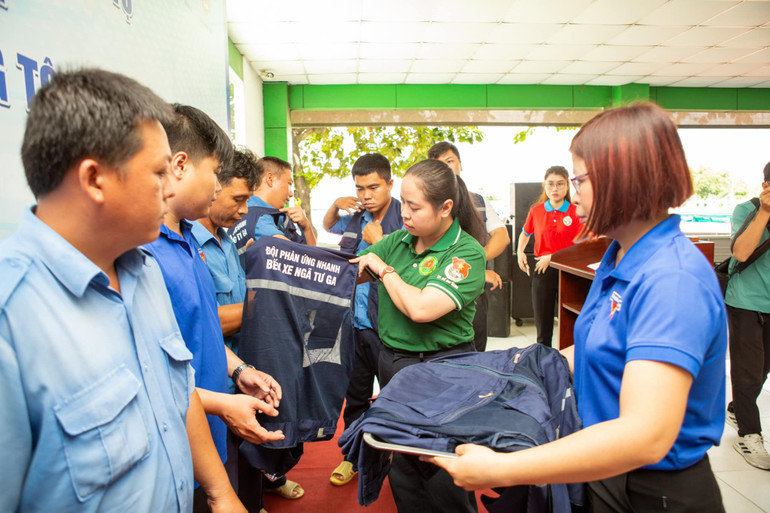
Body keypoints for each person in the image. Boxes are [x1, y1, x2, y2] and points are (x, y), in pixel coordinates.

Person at [426, 103, 727, 513]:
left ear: (626, 180)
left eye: (581, 179)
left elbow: (646, 435)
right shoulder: (618, 256)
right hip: (603, 467)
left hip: (652, 490)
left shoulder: (672, 279)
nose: (572, 190)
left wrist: (505, 468)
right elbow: (599, 350)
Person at [0, 69, 245, 512]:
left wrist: (221, 493)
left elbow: (178, 391)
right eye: (157, 172)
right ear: (95, 179)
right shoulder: (11, 320)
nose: (171, 187)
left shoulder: (142, 269)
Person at [144, 104, 283, 513]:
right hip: (174, 450)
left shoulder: (188, 239)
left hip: (209, 439)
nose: (217, 185)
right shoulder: (143, 252)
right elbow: (154, 375)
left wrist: (241, 371)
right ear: (182, 166)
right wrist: (222, 404)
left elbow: (199, 331)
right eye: (215, 172)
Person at [352, 159, 487, 513]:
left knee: (443, 470)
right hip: (395, 365)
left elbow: (421, 308)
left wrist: (383, 269)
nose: (404, 214)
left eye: (414, 206)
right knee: (405, 470)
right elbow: (353, 271)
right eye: (403, 203)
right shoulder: (400, 240)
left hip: (443, 370)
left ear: (445, 208)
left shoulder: (466, 253)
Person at [192, 148, 305, 510]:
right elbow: (207, 321)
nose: (244, 211)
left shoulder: (227, 241)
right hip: (211, 392)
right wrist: (266, 301)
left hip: (243, 375)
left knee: (248, 479)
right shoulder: (188, 246)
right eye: (239, 199)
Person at [322, 153, 402, 486]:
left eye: (373, 187)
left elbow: (410, 271)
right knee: (354, 397)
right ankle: (353, 458)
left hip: (390, 328)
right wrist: (334, 205)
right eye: (360, 187)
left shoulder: (405, 217)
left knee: (395, 396)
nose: (366, 194)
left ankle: (397, 457)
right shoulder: (356, 215)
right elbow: (329, 226)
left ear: (389, 184)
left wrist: (379, 242)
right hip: (353, 325)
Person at [428, 141, 509, 352]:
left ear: (460, 164)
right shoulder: (426, 205)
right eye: (439, 165)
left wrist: (475, 262)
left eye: (450, 161)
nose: (446, 168)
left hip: (474, 294)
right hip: (436, 293)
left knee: (475, 350)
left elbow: (501, 236)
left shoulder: (479, 201)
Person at [724, 161, 770, 470]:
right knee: (749, 369)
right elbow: (741, 253)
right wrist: (765, 212)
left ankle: (736, 407)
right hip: (746, 301)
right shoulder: (747, 210)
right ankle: (749, 433)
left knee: (764, 367)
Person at [516, 166, 583, 346]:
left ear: (567, 186)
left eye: (560, 184)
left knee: (571, 324)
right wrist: (520, 252)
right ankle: (543, 366)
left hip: (569, 273)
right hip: (542, 270)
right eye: (551, 184)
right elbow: (525, 233)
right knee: (543, 328)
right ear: (544, 185)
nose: (555, 189)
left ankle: (567, 365)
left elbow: (583, 246)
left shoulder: (576, 211)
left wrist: (553, 257)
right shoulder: (536, 211)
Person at [232, 156, 317, 248]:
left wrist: (306, 227)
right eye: (289, 183)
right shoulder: (258, 217)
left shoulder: (271, 216)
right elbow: (299, 256)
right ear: (270, 179)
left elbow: (310, 256)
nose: (291, 193)